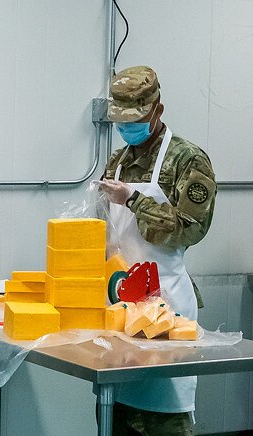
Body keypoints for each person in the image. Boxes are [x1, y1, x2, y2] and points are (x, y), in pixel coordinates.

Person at [94, 66, 216, 435]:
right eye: (120, 121)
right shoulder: (119, 159)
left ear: (156, 110)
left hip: (164, 305)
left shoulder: (188, 160)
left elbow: (188, 230)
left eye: (134, 120)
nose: (127, 129)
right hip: (119, 303)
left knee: (163, 418)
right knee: (114, 416)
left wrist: (133, 199)